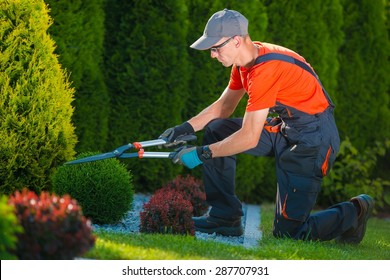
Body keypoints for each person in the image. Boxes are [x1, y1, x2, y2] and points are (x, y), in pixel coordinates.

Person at [159, 8, 374, 243]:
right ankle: (224, 216)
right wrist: (184, 128)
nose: (212, 55)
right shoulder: (244, 64)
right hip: (286, 128)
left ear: (237, 41)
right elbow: (223, 108)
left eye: (215, 48)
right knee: (217, 128)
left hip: (313, 140)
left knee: (290, 233)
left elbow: (249, 137)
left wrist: (203, 153)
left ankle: (356, 211)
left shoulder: (265, 70)